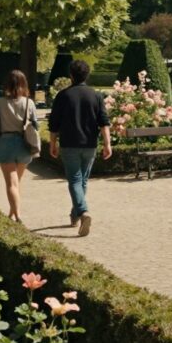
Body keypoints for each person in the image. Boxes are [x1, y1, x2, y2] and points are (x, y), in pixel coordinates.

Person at [48, 60, 112, 237]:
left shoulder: (63, 95)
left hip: (69, 144)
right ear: (87, 75)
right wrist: (107, 144)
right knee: (82, 181)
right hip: (90, 144)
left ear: (71, 75)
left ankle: (83, 212)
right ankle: (75, 215)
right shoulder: (96, 95)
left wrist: (52, 143)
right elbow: (104, 122)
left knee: (75, 181)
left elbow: (54, 123)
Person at [0, 70, 38, 223]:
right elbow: (35, 125)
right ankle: (12, 213)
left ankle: (18, 215)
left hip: (6, 143)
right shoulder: (29, 102)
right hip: (24, 144)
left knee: (11, 183)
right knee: (17, 183)